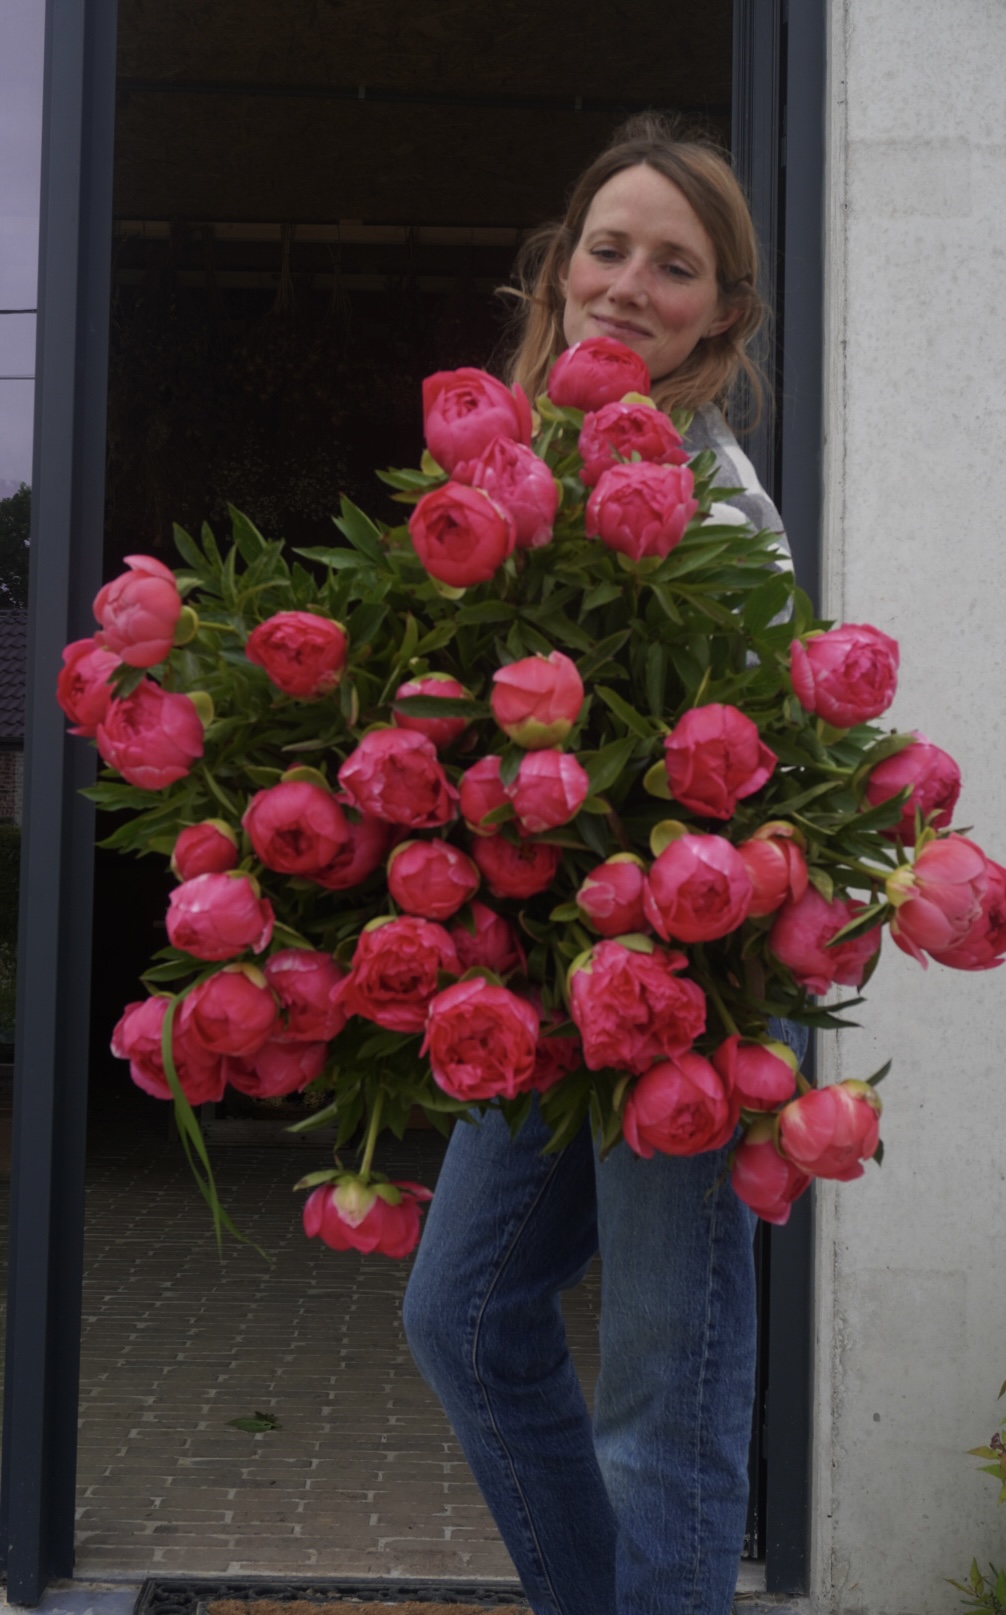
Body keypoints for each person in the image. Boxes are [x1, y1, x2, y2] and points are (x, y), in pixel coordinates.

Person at [403, 114, 803, 1615]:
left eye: (674, 266)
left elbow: (755, 768)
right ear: (560, 264)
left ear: (722, 315)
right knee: (462, 1316)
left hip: (692, 969)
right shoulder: (507, 468)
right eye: (609, 247)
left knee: (662, 1384)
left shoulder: (714, 506)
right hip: (552, 966)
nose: (630, 284)